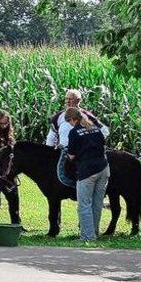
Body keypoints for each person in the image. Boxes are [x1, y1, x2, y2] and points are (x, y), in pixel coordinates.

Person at [45, 89, 108, 186]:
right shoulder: (59, 117)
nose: (68, 101)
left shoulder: (87, 116)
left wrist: (93, 144)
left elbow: (104, 130)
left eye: (71, 99)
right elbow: (51, 136)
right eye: (66, 99)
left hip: (84, 152)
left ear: (78, 100)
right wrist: (49, 151)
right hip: (64, 152)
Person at [65, 107, 109, 241]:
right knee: (97, 203)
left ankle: (87, 236)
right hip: (103, 168)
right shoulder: (95, 128)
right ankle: (94, 233)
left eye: (69, 121)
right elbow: (103, 145)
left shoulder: (74, 132)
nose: (70, 124)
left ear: (73, 119)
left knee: (84, 204)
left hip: (87, 171)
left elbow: (71, 156)